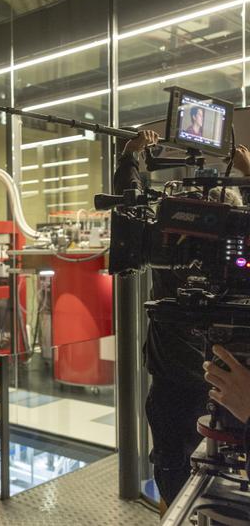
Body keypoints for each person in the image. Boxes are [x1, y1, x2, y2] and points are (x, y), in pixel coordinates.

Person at [114, 133, 250, 509]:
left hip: (177, 381)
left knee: (173, 466)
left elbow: (131, 212)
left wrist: (129, 158)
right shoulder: (238, 257)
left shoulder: (167, 244)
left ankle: (174, 511)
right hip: (231, 378)